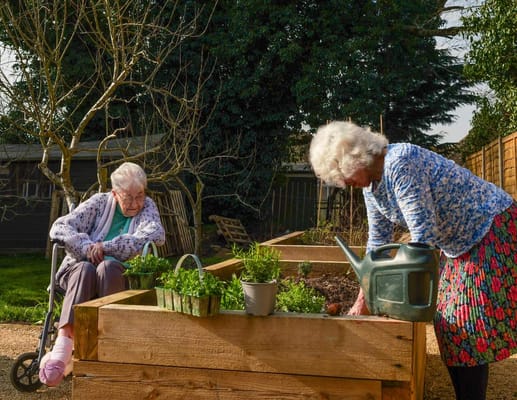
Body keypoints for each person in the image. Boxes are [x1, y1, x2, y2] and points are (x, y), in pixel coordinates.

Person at [309, 120, 517, 400]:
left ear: (355, 158)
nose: (344, 184)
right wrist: (363, 300)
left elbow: (422, 235)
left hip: (490, 228)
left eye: (342, 174)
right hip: (458, 244)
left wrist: (394, 293)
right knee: (450, 328)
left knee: (464, 327)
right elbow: (377, 242)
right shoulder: (372, 186)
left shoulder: (400, 162)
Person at [39, 162, 166, 387]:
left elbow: (154, 234)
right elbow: (60, 227)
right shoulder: (98, 203)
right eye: (128, 197)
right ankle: (64, 345)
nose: (136, 203)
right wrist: (87, 247)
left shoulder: (148, 206)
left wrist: (106, 247)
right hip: (78, 274)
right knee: (86, 268)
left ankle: (108, 342)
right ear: (114, 193)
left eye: (140, 195)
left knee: (107, 267)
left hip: (120, 277)